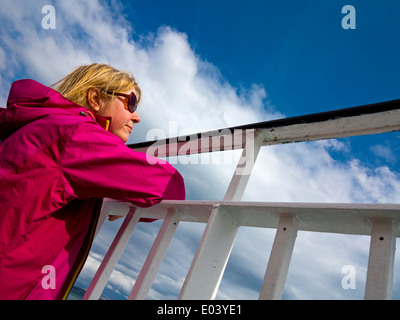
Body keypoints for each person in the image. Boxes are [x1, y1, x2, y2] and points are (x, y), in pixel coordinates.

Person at [0, 63, 186, 300]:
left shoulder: (40, 126)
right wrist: (125, 195)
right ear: (96, 98)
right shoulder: (76, 135)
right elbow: (171, 187)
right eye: (131, 103)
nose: (137, 117)